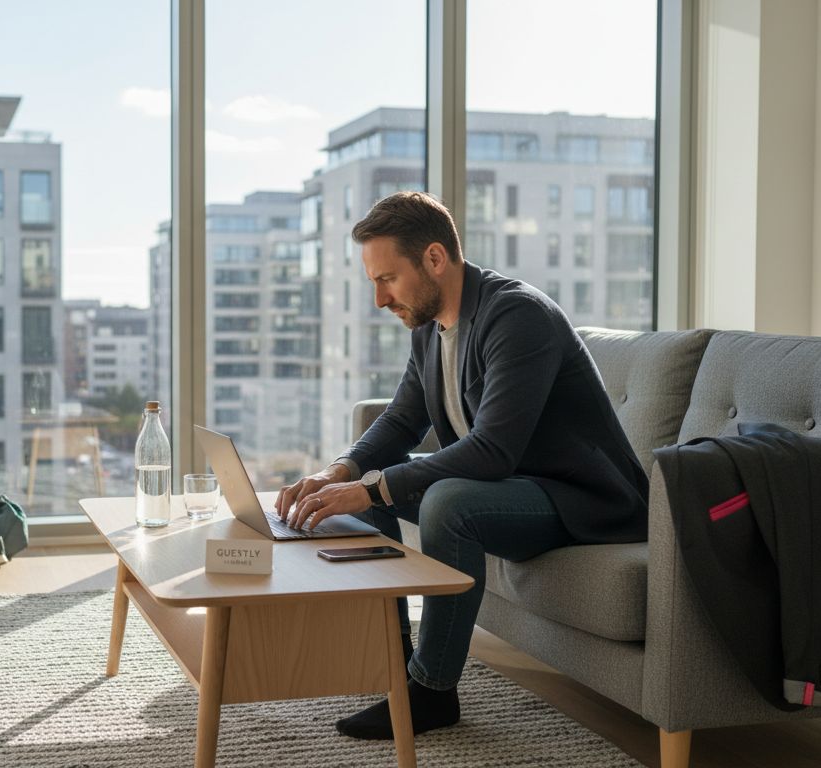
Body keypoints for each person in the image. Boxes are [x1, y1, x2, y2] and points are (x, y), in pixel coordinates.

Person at [275, 191, 649, 740]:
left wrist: (374, 488)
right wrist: (341, 471)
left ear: (433, 258)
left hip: (583, 500)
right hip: (517, 486)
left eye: (388, 280)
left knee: (444, 502)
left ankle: (432, 693)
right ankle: (395, 666)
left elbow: (493, 449)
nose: (379, 299)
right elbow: (403, 419)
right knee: (360, 493)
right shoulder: (429, 325)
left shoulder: (518, 315)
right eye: (374, 282)